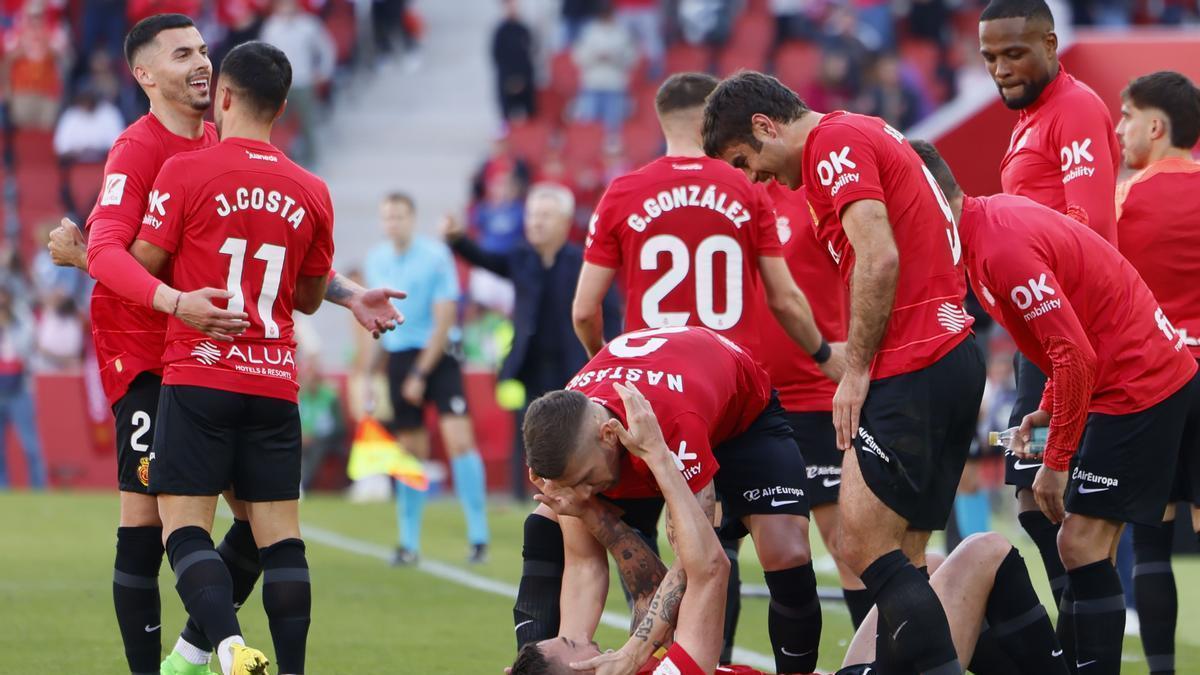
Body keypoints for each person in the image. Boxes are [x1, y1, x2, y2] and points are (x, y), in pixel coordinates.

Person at [45, 15, 405, 675]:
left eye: (206, 50)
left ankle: (192, 652)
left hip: (216, 359)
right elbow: (110, 251)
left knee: (252, 518)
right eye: (183, 53)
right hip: (150, 355)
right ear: (144, 74)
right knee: (146, 520)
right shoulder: (137, 149)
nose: (202, 63)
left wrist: (351, 293)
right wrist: (163, 296)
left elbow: (270, 253)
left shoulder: (216, 146)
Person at [703, 71, 985, 675]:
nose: (753, 177)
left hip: (914, 361)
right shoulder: (860, 134)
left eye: (744, 159)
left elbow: (879, 256)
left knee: (859, 546)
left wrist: (854, 371)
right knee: (903, 558)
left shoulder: (833, 145)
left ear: (764, 125)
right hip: (947, 352)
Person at [915, 139, 1200, 675]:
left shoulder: (997, 247)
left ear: (928, 198)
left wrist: (1057, 459)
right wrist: (1048, 407)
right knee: (1082, 544)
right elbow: (1067, 330)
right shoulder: (981, 234)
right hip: (1130, 373)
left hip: (1139, 381)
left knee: (1082, 541)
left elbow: (1075, 353)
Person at [126, 40, 336, 675]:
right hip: (274, 382)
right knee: (282, 540)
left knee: (184, 529)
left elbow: (144, 266)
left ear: (223, 97)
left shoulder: (186, 172)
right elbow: (309, 297)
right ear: (281, 108)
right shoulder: (313, 190)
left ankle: (224, 647)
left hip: (201, 372)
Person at [523, 326, 822, 675]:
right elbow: (583, 564)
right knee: (548, 519)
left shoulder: (673, 425)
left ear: (608, 436)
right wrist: (572, 655)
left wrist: (634, 652)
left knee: (785, 552)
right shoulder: (566, 441)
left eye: (588, 480)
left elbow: (698, 564)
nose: (587, 493)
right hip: (658, 413)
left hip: (741, 422)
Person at [978, 0, 1121, 606]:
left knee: (1062, 511)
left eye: (1015, 53)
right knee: (1036, 507)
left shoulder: (1076, 108)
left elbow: (1089, 230)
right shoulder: (1030, 116)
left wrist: (1043, 302)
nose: (1001, 69)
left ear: (1052, 44)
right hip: (1039, 339)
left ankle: (1082, 643)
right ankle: (1072, 640)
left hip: (1070, 333)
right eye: (990, 57)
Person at [444, 182, 621, 499]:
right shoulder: (521, 257)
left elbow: (608, 307)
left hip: (572, 364)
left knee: (572, 428)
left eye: (545, 216)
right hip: (529, 361)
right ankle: (520, 493)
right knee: (526, 428)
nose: (536, 222)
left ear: (565, 222)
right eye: (533, 215)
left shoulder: (582, 262)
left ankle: (574, 487)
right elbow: (486, 260)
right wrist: (457, 239)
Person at [1112, 70, 1200, 675]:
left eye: (1125, 116)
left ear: (1156, 125)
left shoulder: (1120, 200)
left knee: (1152, 535)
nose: (1118, 129)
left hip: (1157, 380)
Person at [757, 181, 870, 628]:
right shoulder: (730, 199)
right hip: (739, 402)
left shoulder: (817, 197)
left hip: (813, 396)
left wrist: (854, 355)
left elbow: (870, 270)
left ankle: (878, 659)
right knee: (717, 545)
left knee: (848, 546)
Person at [364, 192, 491, 566]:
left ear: (412, 218)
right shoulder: (376, 261)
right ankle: (408, 543)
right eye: (387, 217)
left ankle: (478, 536)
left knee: (459, 442)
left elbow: (446, 318)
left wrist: (421, 373)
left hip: (438, 357)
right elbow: (380, 323)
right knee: (410, 452)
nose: (393, 223)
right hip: (400, 359)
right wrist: (370, 373)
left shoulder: (436, 256)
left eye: (399, 216)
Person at [258, 0, 336, 166]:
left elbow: (326, 48)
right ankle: (277, 157)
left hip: (303, 81)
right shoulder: (272, 26)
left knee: (307, 123)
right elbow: (263, 55)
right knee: (275, 123)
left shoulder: (309, 25)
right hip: (280, 84)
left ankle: (311, 160)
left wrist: (323, 72)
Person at [0, 287, 47, 490]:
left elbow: (28, 346)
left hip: (20, 390)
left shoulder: (21, 318)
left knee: (30, 444)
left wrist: (9, 324)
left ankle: (38, 487)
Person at [491, 0, 536, 121]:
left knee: (530, 106)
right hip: (507, 77)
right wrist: (510, 78)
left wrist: (523, 79)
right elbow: (497, 56)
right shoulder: (500, 32)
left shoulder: (523, 30)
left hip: (524, 77)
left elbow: (530, 55)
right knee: (506, 107)